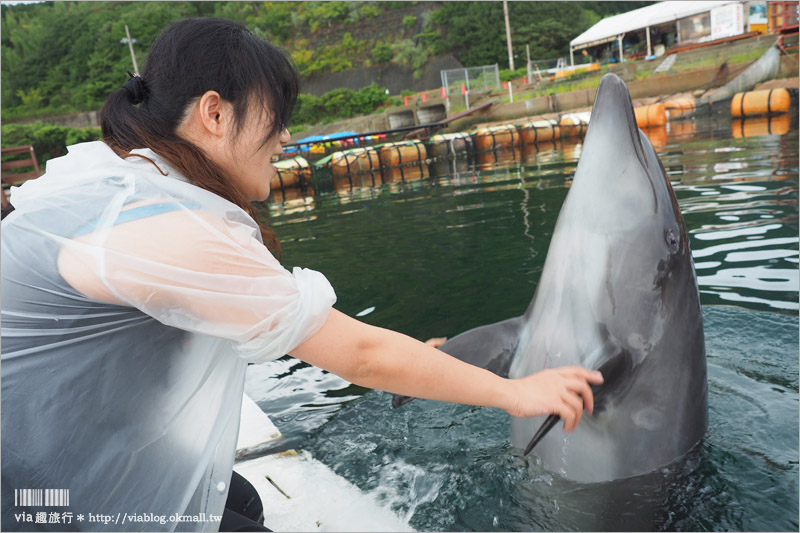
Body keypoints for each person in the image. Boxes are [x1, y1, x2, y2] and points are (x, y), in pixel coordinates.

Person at [0, 17, 603, 532]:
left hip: (40, 439)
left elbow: (259, 323)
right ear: (214, 112)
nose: (286, 137)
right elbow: (359, 355)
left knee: (237, 500)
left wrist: (431, 358)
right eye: (277, 117)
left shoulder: (120, 176)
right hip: (28, 490)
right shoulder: (172, 227)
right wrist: (517, 393)